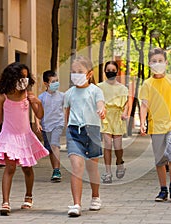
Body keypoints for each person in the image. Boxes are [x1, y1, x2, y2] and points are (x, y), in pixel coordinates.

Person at [0, 62, 49, 215]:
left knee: (27, 168)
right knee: (10, 167)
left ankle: (29, 196)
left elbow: (40, 115)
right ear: (11, 78)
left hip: (25, 136)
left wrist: (38, 102)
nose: (24, 80)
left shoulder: (28, 95)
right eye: (21, 77)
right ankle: (5, 202)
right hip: (8, 136)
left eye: (26, 77)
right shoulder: (3, 97)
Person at [139, 47, 171, 203]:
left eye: (160, 61)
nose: (158, 63)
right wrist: (142, 122)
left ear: (166, 63)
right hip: (156, 127)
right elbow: (144, 105)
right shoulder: (147, 84)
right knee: (160, 160)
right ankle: (163, 189)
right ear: (149, 64)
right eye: (154, 61)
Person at [64, 55, 106, 217]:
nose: (76, 74)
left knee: (92, 168)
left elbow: (100, 104)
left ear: (89, 73)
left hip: (92, 132)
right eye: (73, 72)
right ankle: (76, 204)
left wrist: (102, 110)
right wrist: (67, 130)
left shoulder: (96, 91)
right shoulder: (69, 93)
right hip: (74, 132)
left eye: (80, 71)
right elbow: (67, 113)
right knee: (76, 167)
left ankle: (95, 196)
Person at [98, 61, 129, 184]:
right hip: (105, 116)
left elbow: (127, 103)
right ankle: (107, 172)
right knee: (107, 145)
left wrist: (125, 113)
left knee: (118, 147)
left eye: (113, 69)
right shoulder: (99, 87)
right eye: (108, 69)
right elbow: (97, 101)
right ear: (105, 71)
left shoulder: (123, 88)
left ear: (117, 71)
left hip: (118, 116)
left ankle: (119, 161)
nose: (110, 72)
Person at [35, 70, 65, 182]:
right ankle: (55, 170)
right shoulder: (42, 97)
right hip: (46, 126)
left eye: (57, 81)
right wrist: (38, 123)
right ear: (46, 83)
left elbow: (68, 108)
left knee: (54, 145)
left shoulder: (62, 96)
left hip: (58, 124)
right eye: (53, 81)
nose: (56, 83)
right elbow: (37, 112)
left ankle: (57, 170)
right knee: (51, 150)